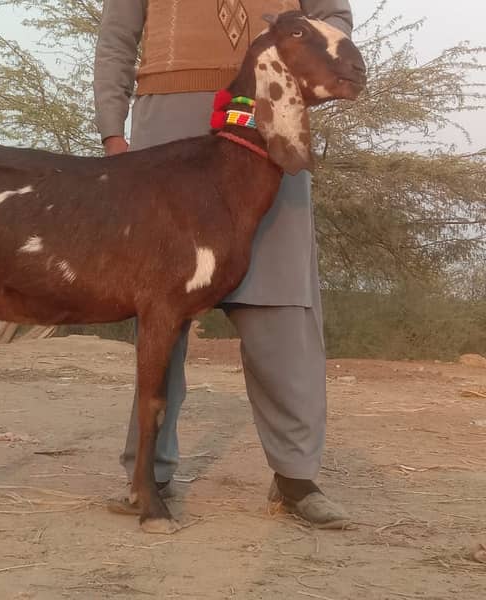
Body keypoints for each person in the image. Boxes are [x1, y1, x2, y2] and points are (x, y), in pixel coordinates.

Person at [93, 0, 353, 528]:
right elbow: (117, 38)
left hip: (272, 111)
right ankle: (149, 472)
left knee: (282, 305)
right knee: (162, 308)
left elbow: (335, 17)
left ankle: (295, 479)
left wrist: (298, 62)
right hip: (165, 124)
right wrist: (113, 133)